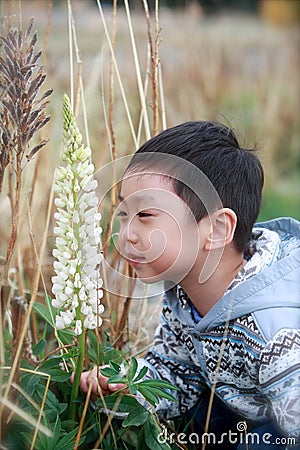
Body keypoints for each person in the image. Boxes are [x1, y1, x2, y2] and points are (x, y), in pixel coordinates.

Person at [77, 121, 300, 449]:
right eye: (124, 213)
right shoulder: (186, 292)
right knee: (202, 413)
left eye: (147, 215)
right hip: (244, 400)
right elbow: (177, 371)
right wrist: (128, 385)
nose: (127, 234)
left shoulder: (275, 333)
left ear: (217, 229)